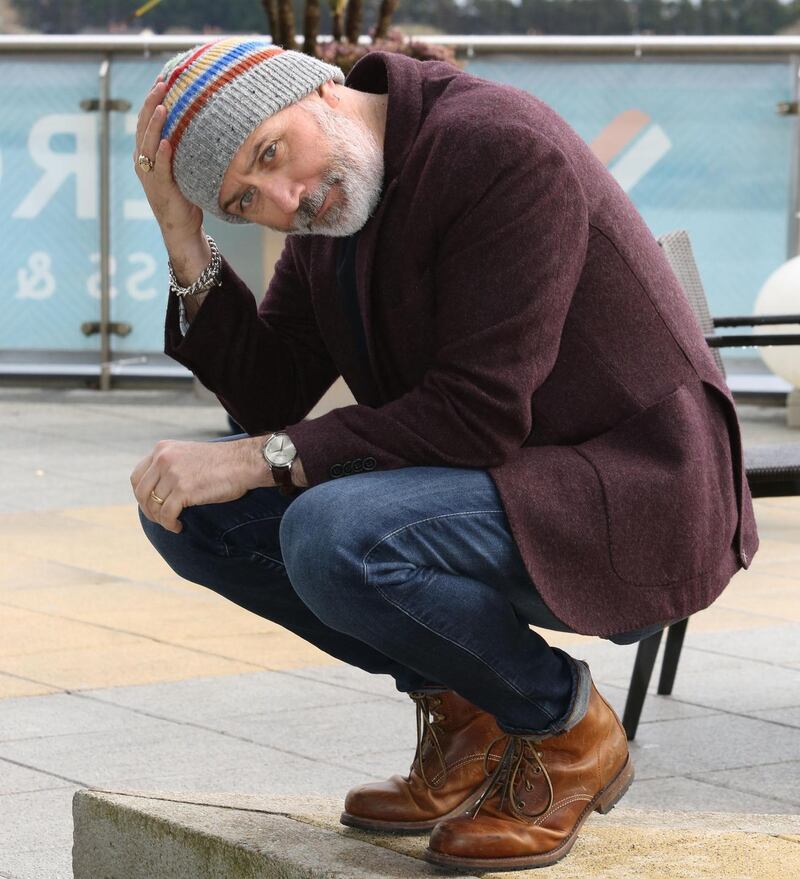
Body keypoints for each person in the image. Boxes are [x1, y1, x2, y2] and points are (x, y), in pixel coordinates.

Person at [130, 36, 757, 871]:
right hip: (511, 479)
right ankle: (469, 715)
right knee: (194, 516)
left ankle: (565, 730)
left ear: (321, 90)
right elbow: (275, 397)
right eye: (247, 204)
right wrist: (183, 237)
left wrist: (252, 459)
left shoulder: (497, 149)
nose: (285, 199)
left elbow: (476, 416)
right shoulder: (341, 194)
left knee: (331, 532)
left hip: (633, 494)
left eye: (270, 155)